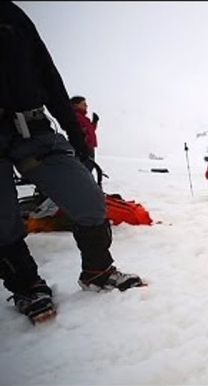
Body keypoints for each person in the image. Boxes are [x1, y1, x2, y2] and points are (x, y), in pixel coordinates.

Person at [0, 2, 144, 324]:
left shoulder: (12, 14)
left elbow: (49, 77)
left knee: (89, 199)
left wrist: (76, 138)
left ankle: (96, 270)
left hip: (33, 128)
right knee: (2, 219)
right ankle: (27, 286)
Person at [70, 96, 99, 172]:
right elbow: (77, 131)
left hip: (89, 146)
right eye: (83, 104)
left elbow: (91, 130)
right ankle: (83, 182)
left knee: (89, 167)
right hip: (84, 147)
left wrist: (94, 122)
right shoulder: (75, 116)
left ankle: (86, 182)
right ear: (76, 105)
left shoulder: (84, 118)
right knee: (85, 168)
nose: (86, 106)